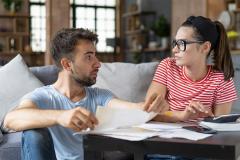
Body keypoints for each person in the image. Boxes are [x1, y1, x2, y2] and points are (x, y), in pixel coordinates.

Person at [3, 28, 159, 160]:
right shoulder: (43, 97)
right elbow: (11, 120)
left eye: (95, 56)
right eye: (89, 57)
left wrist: (153, 107)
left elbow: (132, 108)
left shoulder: (99, 96)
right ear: (67, 64)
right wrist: (61, 117)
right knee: (33, 134)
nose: (98, 64)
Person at [144, 16, 238, 159]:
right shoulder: (167, 67)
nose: (174, 49)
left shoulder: (222, 79)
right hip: (165, 144)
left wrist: (209, 118)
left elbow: (221, 130)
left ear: (205, 47)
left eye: (181, 43)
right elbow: (149, 111)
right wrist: (182, 115)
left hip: (203, 147)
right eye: (175, 43)